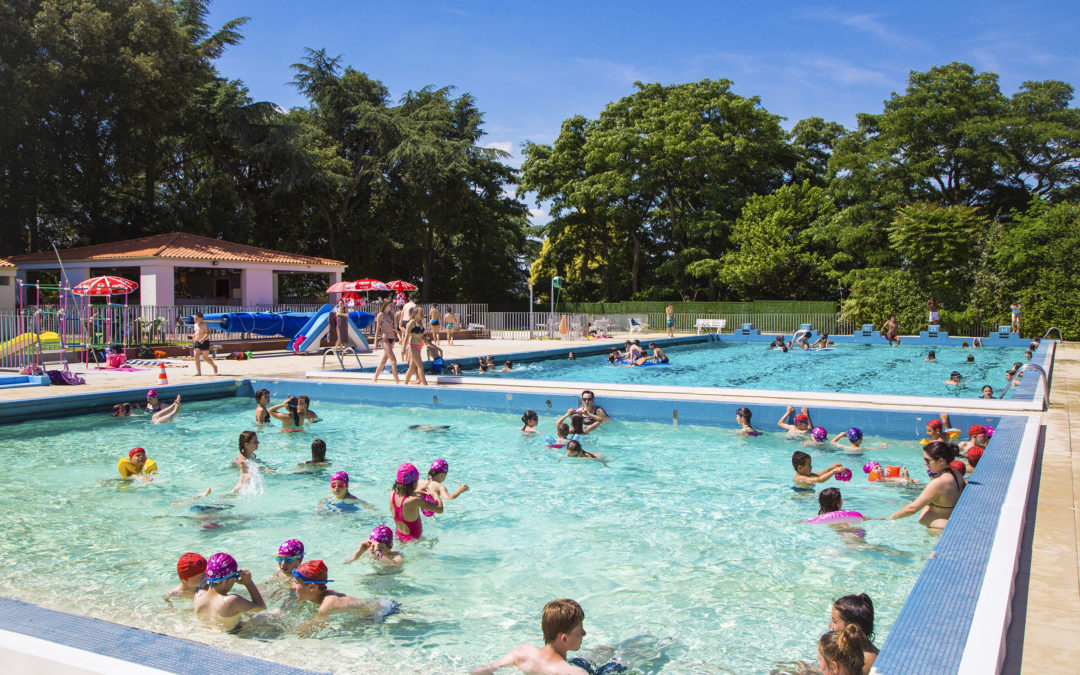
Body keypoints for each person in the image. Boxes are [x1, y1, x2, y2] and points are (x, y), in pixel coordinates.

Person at [471, 598, 591, 675]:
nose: (584, 632)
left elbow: (478, 672)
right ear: (564, 639)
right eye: (580, 628)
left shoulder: (523, 653)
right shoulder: (573, 672)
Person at [886, 440, 965, 529]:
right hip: (947, 524)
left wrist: (890, 518)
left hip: (938, 530)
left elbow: (912, 509)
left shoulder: (938, 483)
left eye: (927, 460)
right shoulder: (957, 475)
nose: (925, 463)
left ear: (941, 461)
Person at [193, 552, 266, 631]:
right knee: (269, 615)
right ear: (227, 580)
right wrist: (248, 583)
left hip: (205, 633)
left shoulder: (198, 595)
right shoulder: (232, 601)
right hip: (230, 635)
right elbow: (261, 607)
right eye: (235, 576)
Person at [390, 463, 442, 542]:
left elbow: (404, 497)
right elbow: (439, 509)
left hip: (398, 536)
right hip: (414, 541)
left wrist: (415, 492)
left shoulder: (391, 494)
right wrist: (435, 495)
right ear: (414, 483)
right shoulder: (416, 500)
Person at [828, 594, 878, 674]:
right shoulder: (850, 649)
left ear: (851, 627)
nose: (829, 625)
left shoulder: (866, 660)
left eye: (834, 621)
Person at [372, 298, 401, 384]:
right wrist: (375, 343)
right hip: (385, 339)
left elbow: (395, 328)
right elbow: (377, 330)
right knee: (393, 361)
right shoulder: (380, 315)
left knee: (384, 361)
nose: (391, 307)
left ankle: (374, 378)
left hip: (392, 338)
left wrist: (399, 338)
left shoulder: (392, 314)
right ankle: (397, 381)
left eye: (392, 305)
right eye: (390, 305)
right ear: (385, 305)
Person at [402, 306, 429, 386]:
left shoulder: (419, 322)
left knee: (412, 367)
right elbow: (406, 335)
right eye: (421, 313)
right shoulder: (411, 322)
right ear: (415, 314)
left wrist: (430, 344)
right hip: (412, 346)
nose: (422, 314)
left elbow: (422, 336)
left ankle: (405, 384)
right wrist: (403, 349)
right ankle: (425, 385)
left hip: (418, 346)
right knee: (420, 366)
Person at [190, 312, 218, 376]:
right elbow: (196, 332)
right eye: (194, 318)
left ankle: (214, 366)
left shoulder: (204, 325)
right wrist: (193, 336)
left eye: (196, 318)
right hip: (197, 342)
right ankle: (199, 372)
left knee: (205, 358)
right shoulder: (195, 325)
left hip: (204, 342)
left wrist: (202, 339)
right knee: (196, 356)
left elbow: (207, 333)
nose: (194, 320)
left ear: (201, 318)